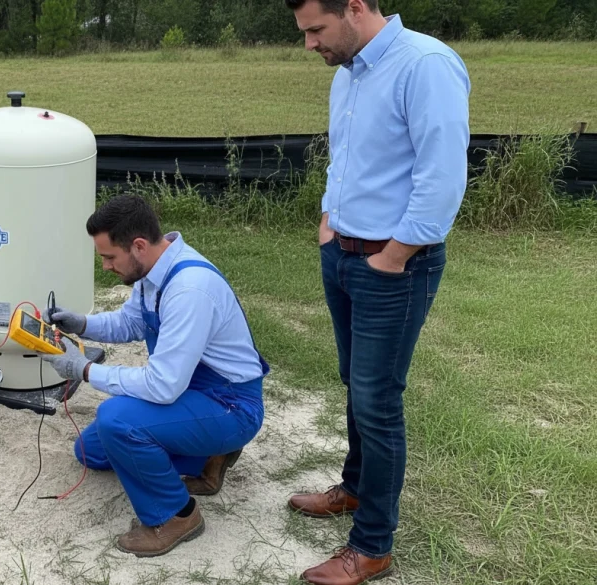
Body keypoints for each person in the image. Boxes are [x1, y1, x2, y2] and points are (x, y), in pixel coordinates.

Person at [283, 1, 471, 584]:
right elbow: (350, 160)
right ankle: (356, 489)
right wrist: (328, 219)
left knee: (377, 401)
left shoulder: (426, 65)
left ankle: (372, 547)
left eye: (316, 29)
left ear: (356, 8)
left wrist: (394, 255)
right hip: (342, 255)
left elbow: (441, 176)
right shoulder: (349, 74)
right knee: (355, 383)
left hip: (394, 267)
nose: (310, 44)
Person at [39, 194, 271, 558]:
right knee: (91, 451)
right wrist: (82, 324)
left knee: (117, 422)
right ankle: (211, 456)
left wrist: (84, 370)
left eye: (109, 257)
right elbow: (131, 321)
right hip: (195, 393)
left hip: (230, 405)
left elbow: (162, 386)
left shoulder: (189, 289)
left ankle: (176, 516)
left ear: (139, 245)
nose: (105, 266)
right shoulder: (154, 270)